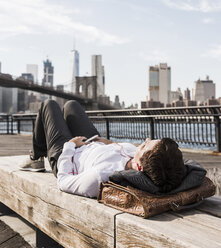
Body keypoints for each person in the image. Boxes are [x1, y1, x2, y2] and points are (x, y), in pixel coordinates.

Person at [20, 100, 185, 198]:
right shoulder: (138, 159)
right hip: (93, 143)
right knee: (71, 105)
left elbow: (63, 181)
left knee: (49, 105)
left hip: (68, 156)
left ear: (139, 166)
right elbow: (117, 149)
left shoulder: (100, 177)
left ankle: (35, 159)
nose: (146, 139)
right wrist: (106, 142)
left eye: (144, 145)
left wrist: (70, 146)